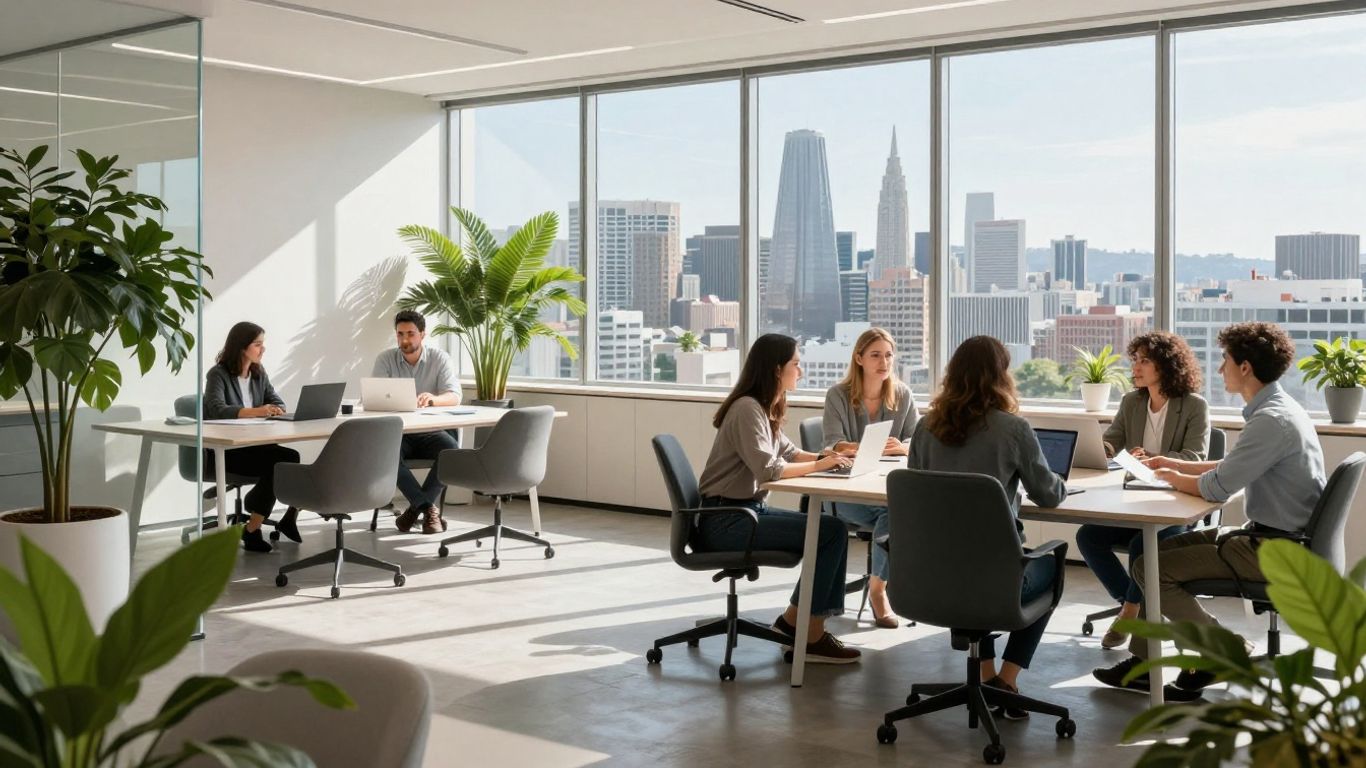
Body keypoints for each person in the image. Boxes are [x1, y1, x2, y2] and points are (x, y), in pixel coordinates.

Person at [1093, 322, 1326, 699]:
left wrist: (1168, 476)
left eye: (1226, 361)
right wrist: (1173, 466)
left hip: (1272, 547)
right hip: (1272, 537)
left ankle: (1219, 651)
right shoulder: (1277, 410)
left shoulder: (1271, 422)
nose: (1221, 369)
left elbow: (1216, 486)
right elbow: (1226, 466)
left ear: (1245, 368)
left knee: (1149, 567)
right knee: (1154, 554)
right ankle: (1147, 664)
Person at [907, 336, 1066, 717]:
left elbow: (918, 495)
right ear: (1001, 377)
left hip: (932, 576)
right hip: (997, 578)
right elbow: (1048, 495)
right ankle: (1006, 680)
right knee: (1050, 566)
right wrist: (1060, 480)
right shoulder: (1013, 429)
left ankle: (988, 674)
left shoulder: (925, 427)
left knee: (963, 556)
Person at [696, 333, 862, 664]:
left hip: (743, 511)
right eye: (795, 365)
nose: (800, 371)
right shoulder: (747, 409)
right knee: (830, 532)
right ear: (776, 370)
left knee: (832, 528)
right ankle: (808, 634)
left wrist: (834, 454)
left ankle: (794, 622)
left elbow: (789, 452)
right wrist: (822, 464)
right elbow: (769, 469)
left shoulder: (762, 407)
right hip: (727, 521)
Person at [1076, 331, 1210, 649]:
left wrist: (1152, 460)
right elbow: (1114, 438)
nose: (1136, 367)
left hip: (1176, 505)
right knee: (1088, 537)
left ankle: (1131, 610)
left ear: (1167, 365)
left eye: (1145, 360)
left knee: (1141, 546)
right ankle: (1131, 602)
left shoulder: (1193, 406)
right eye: (1134, 360)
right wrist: (1103, 449)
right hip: (1135, 500)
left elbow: (1196, 458)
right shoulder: (1132, 402)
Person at [821, 327, 918, 629]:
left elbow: (918, 438)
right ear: (859, 358)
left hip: (884, 485)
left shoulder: (902, 395)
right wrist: (868, 446)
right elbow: (834, 444)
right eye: (875, 355)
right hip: (844, 493)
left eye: (888, 355)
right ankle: (879, 591)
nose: (884, 362)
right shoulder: (837, 395)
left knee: (897, 509)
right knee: (895, 512)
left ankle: (879, 581)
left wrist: (902, 446)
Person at [203, 322, 301, 554]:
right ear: (241, 347)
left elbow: (277, 401)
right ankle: (255, 525)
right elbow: (217, 409)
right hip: (228, 450)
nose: (262, 349)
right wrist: (257, 411)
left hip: (255, 444)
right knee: (278, 462)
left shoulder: (258, 373)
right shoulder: (218, 374)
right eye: (258, 344)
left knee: (290, 458)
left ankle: (271, 519)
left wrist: (275, 409)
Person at [372, 310, 461, 535]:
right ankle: (427, 508)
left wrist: (433, 399)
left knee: (451, 450)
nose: (405, 340)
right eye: (400, 334)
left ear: (422, 334)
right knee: (386, 454)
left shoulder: (439, 358)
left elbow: (454, 396)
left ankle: (413, 510)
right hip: (399, 433)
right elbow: (373, 398)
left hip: (430, 431)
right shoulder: (385, 359)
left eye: (410, 334)